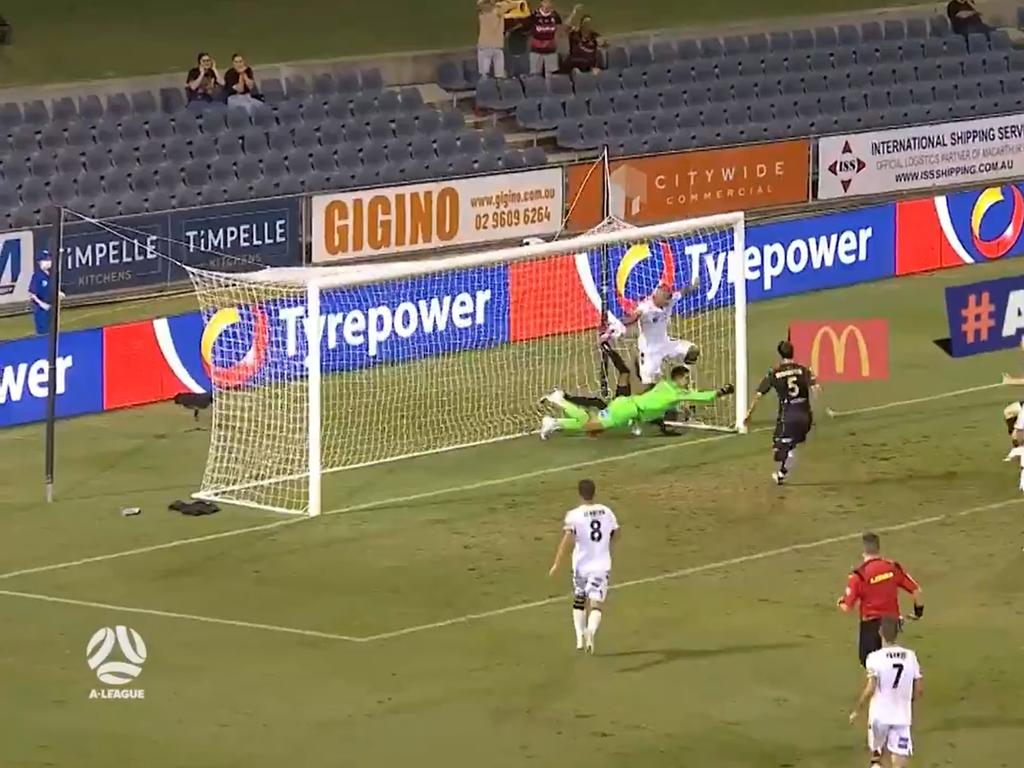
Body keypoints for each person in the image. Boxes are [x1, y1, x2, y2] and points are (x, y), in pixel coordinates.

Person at [539, 364, 734, 438]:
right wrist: (720, 392)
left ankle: (554, 423)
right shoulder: (676, 393)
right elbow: (698, 396)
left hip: (625, 405)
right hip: (627, 410)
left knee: (592, 426)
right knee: (587, 424)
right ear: (678, 378)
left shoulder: (665, 385)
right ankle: (559, 402)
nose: (688, 382)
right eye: (686, 379)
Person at [547, 478, 619, 653]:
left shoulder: (574, 515)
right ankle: (591, 631)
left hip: (581, 565)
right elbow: (616, 533)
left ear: (580, 494)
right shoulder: (606, 511)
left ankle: (579, 637)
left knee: (579, 599)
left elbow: (567, 540)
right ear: (594, 492)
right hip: (601, 564)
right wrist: (604, 545)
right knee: (596, 604)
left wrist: (557, 563)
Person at [837, 532, 924, 668]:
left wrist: (841, 602)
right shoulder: (893, 567)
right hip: (891, 624)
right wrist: (918, 612)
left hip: (870, 626)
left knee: (871, 666)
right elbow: (916, 591)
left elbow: (848, 607)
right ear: (878, 548)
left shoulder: (859, 575)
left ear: (863, 551)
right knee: (889, 662)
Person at [848, 617, 923, 768]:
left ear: (880, 632)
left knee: (878, 758)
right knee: (899, 761)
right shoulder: (910, 656)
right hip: (902, 717)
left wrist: (857, 709)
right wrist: (907, 701)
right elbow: (919, 689)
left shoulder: (874, 658)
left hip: (879, 717)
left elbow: (871, 688)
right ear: (897, 633)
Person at [743, 340, 816, 485]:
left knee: (779, 449)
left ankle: (786, 454)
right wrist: (827, 410)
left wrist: (749, 413)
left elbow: (759, 395)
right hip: (805, 415)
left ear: (780, 354)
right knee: (792, 444)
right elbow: (816, 389)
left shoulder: (775, 373)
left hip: (787, 417)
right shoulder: (804, 370)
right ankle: (782, 473)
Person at [623, 280, 701, 389]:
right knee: (649, 386)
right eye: (666, 299)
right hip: (650, 351)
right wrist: (621, 323)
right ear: (656, 298)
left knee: (692, 350)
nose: (668, 302)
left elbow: (682, 292)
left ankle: (684, 384)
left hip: (665, 343)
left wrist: (693, 286)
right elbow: (634, 316)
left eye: (669, 298)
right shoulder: (645, 307)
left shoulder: (669, 300)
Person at [528, 0, 580, 78]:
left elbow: (563, 26)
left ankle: (550, 90)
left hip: (550, 51)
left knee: (551, 76)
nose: (547, 4)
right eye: (545, 2)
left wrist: (573, 13)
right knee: (535, 76)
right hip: (536, 51)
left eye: (549, 2)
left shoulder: (554, 15)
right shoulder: (534, 15)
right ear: (541, 3)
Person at [477, 0, 517, 79]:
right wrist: (500, 3)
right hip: (497, 46)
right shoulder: (498, 10)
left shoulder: (481, 14)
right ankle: (499, 88)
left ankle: (485, 88)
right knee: (499, 74)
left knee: (484, 74)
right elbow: (514, 4)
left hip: (484, 46)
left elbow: (479, 3)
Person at [27, 250, 61, 336]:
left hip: (51, 308)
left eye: (49, 260)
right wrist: (42, 304)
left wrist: (58, 293)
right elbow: (32, 294)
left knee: (53, 331)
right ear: (39, 262)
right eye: (46, 260)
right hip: (41, 310)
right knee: (43, 333)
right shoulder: (37, 276)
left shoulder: (50, 275)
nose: (49, 262)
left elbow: (50, 289)